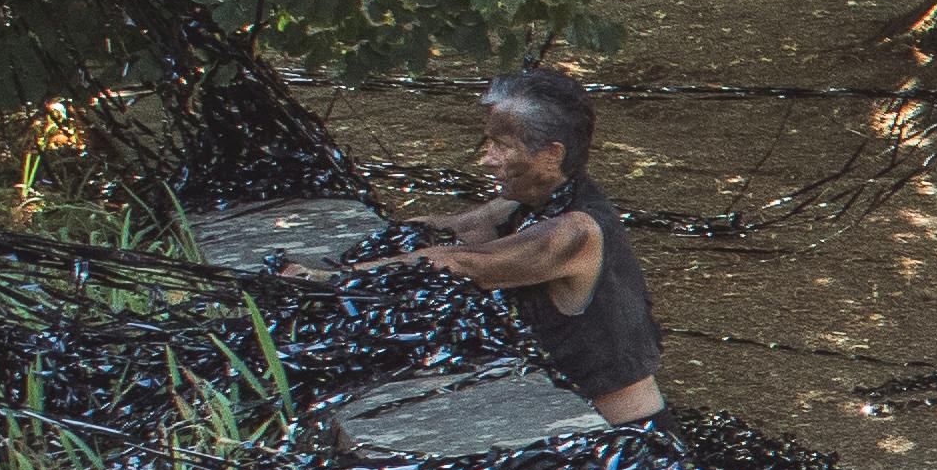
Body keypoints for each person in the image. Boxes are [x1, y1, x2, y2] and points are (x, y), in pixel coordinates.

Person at [280, 66, 664, 422]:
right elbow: (449, 229)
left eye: (501, 146)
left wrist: (330, 278)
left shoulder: (575, 232)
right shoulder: (524, 202)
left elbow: (463, 261)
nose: (486, 160)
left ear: (551, 155)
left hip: (623, 429)